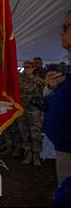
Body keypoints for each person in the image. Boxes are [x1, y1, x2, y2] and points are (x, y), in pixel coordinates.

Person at [44, 10, 71, 186]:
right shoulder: (67, 68)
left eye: (66, 27)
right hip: (64, 150)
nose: (61, 32)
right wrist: (49, 89)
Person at [17, 61, 45, 166]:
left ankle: (36, 155)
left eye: (29, 67)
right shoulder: (20, 80)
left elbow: (43, 97)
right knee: (25, 133)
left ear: (33, 68)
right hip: (22, 110)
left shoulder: (39, 81)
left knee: (35, 133)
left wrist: (41, 112)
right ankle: (28, 153)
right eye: (25, 67)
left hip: (34, 111)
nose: (26, 69)